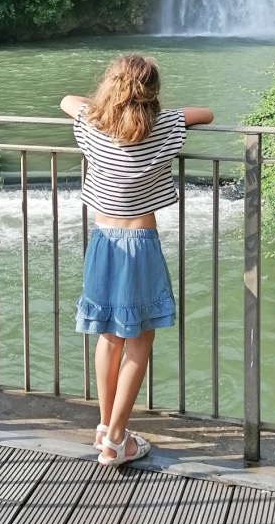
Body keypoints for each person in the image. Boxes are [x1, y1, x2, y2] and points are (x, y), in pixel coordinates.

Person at [61, 54, 214, 467]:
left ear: (110, 87)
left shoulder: (92, 125)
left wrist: (99, 104)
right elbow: (207, 113)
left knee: (108, 336)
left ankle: (104, 427)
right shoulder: (164, 128)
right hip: (140, 243)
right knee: (140, 341)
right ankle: (116, 441)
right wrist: (170, 112)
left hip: (101, 241)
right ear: (152, 94)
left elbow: (66, 100)